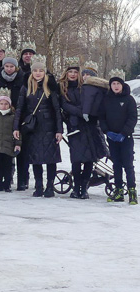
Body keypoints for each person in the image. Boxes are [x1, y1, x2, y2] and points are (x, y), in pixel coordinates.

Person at [58, 57, 108, 200]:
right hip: (75, 126)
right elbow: (64, 105)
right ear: (66, 74)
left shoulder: (85, 87)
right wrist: (81, 111)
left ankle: (84, 187)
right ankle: (76, 187)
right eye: (70, 72)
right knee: (76, 159)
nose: (73, 74)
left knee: (89, 159)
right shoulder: (63, 88)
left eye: (75, 72)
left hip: (89, 125)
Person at [13, 55, 62, 198]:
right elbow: (19, 109)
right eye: (36, 70)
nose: (38, 73)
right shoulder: (25, 87)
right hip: (32, 128)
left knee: (50, 158)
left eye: (41, 70)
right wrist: (16, 127)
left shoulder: (51, 87)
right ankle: (39, 186)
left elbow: (57, 110)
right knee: (35, 158)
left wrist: (59, 130)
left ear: (45, 72)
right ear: (32, 72)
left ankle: (50, 186)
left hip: (49, 127)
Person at [100, 69, 137, 204]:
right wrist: (107, 131)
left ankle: (132, 190)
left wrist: (124, 133)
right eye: (113, 83)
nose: (116, 86)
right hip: (112, 137)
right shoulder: (106, 100)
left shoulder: (129, 99)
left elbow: (132, 118)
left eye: (118, 83)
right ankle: (119, 190)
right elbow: (102, 117)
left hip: (125, 138)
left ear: (122, 85)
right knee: (116, 165)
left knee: (128, 164)